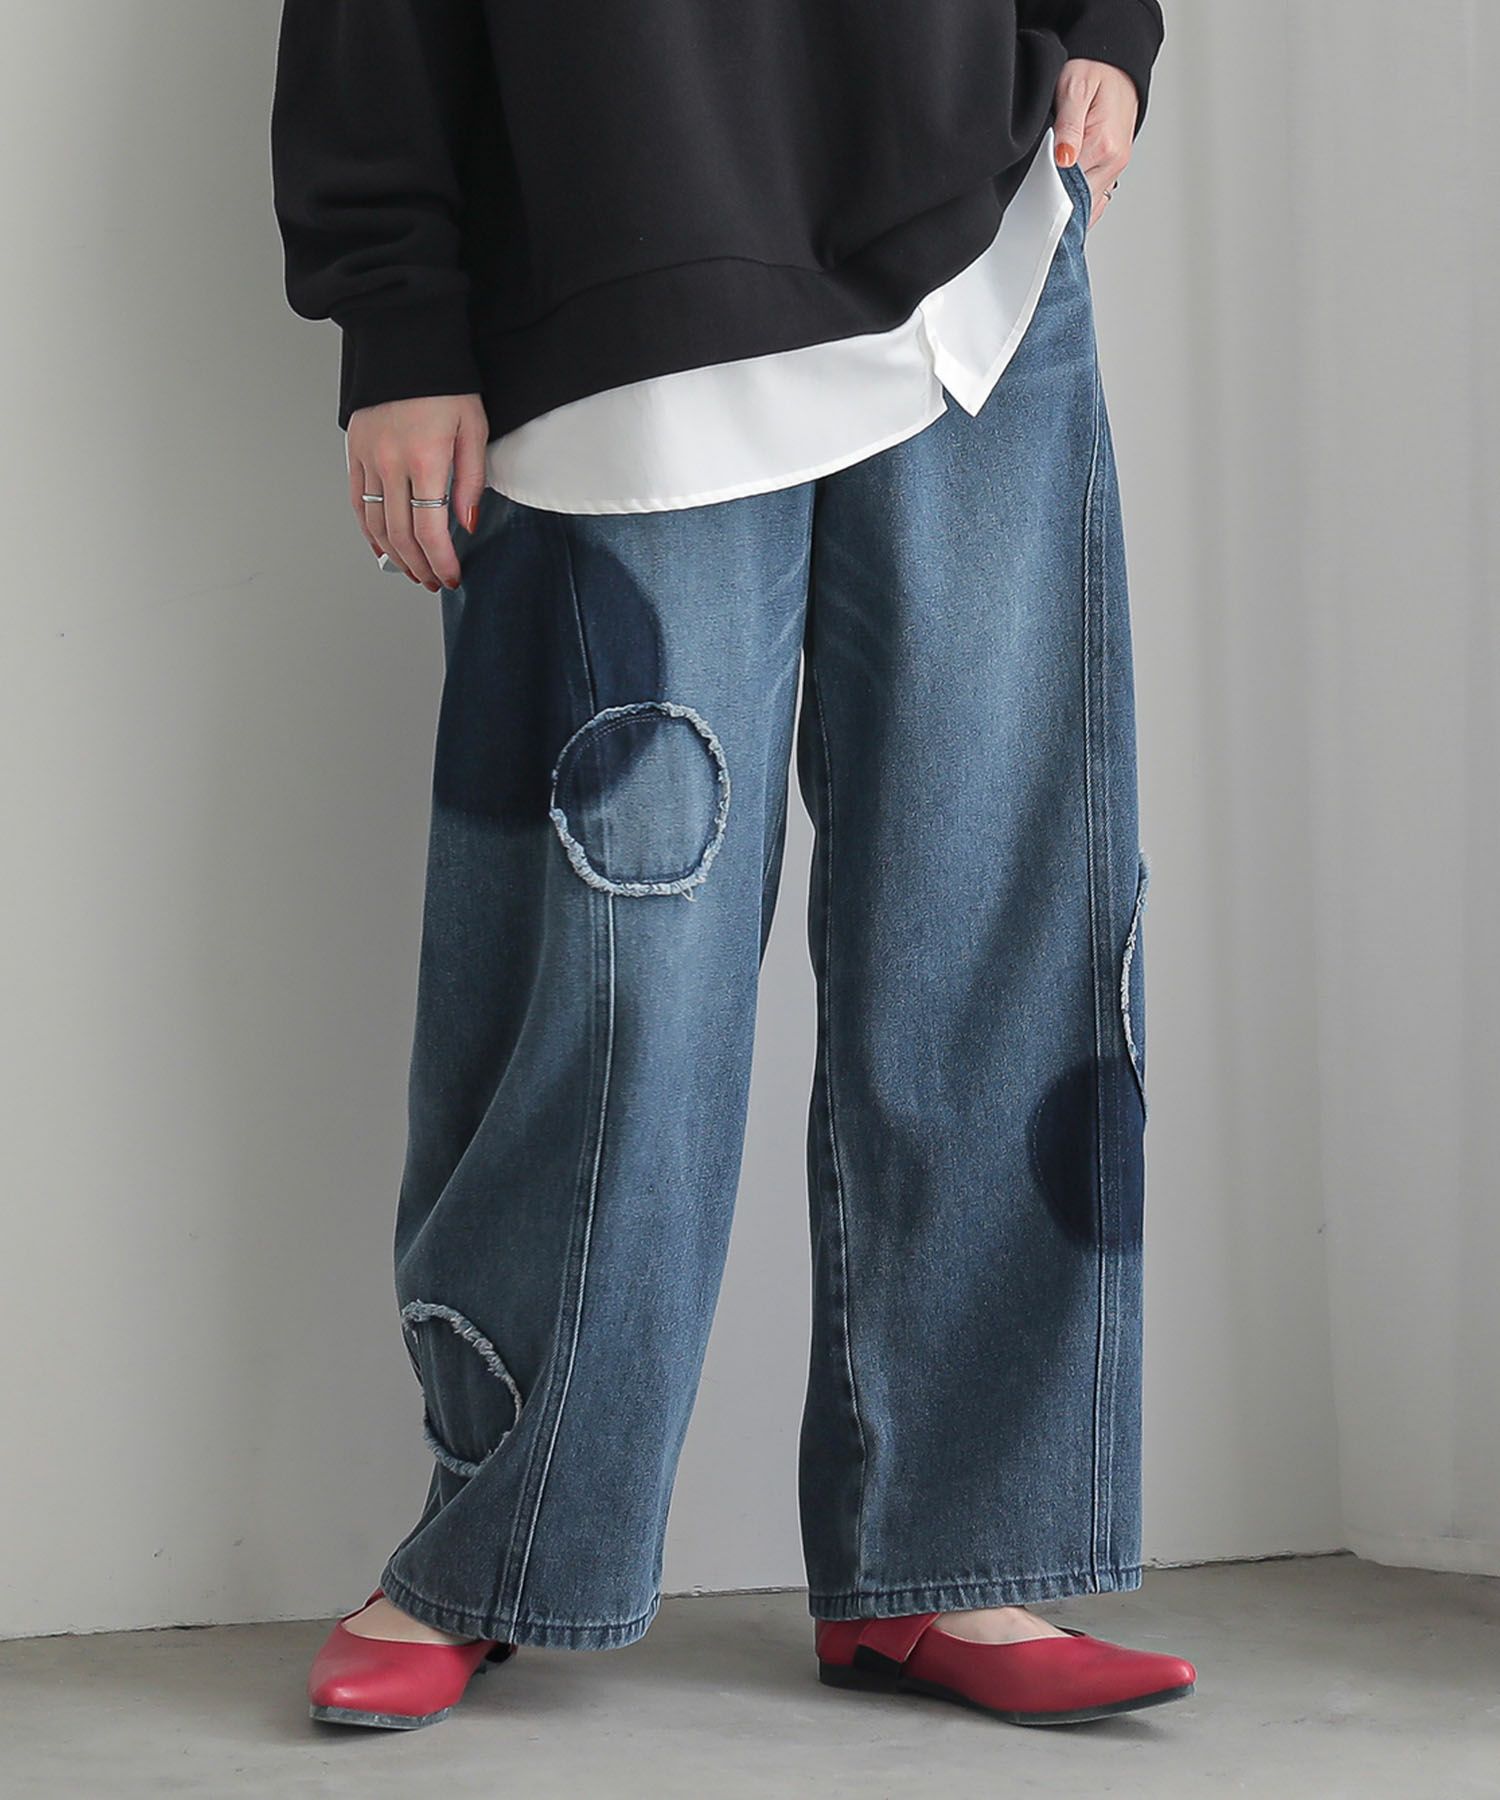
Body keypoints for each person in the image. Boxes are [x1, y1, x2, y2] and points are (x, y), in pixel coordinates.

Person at [272, 0, 1194, 1734]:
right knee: (608, 981)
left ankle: (951, 1558)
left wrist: (1100, 24)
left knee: (997, 921)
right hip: (615, 266)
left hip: (977, 252)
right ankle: (493, 1546)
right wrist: (396, 313)